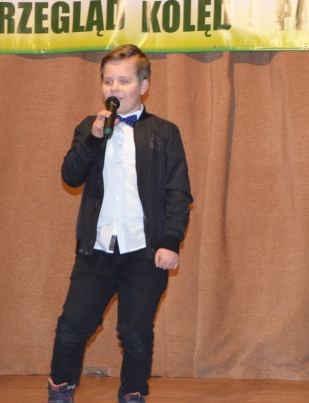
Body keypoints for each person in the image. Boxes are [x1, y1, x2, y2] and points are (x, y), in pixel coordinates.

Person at [48, 45, 192, 403]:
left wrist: (170, 241)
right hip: (96, 250)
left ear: (144, 86)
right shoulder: (89, 127)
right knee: (72, 326)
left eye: (124, 81)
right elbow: (70, 176)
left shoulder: (164, 132)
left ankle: (132, 395)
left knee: (136, 333)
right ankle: (60, 391)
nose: (114, 88)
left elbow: (178, 192)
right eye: (108, 81)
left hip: (144, 251)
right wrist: (93, 138)